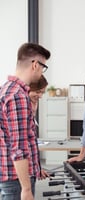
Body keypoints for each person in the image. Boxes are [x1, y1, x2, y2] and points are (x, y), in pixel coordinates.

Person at [0, 42, 50, 200]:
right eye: (43, 67)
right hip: (17, 181)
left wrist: (36, 168)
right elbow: (19, 148)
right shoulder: (18, 96)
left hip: (11, 177)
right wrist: (27, 189)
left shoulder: (6, 88)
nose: (41, 72)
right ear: (35, 64)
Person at [29, 74, 50, 180]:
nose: (41, 96)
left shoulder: (33, 103)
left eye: (42, 92)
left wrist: (37, 168)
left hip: (30, 171)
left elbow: (32, 146)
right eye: (38, 92)